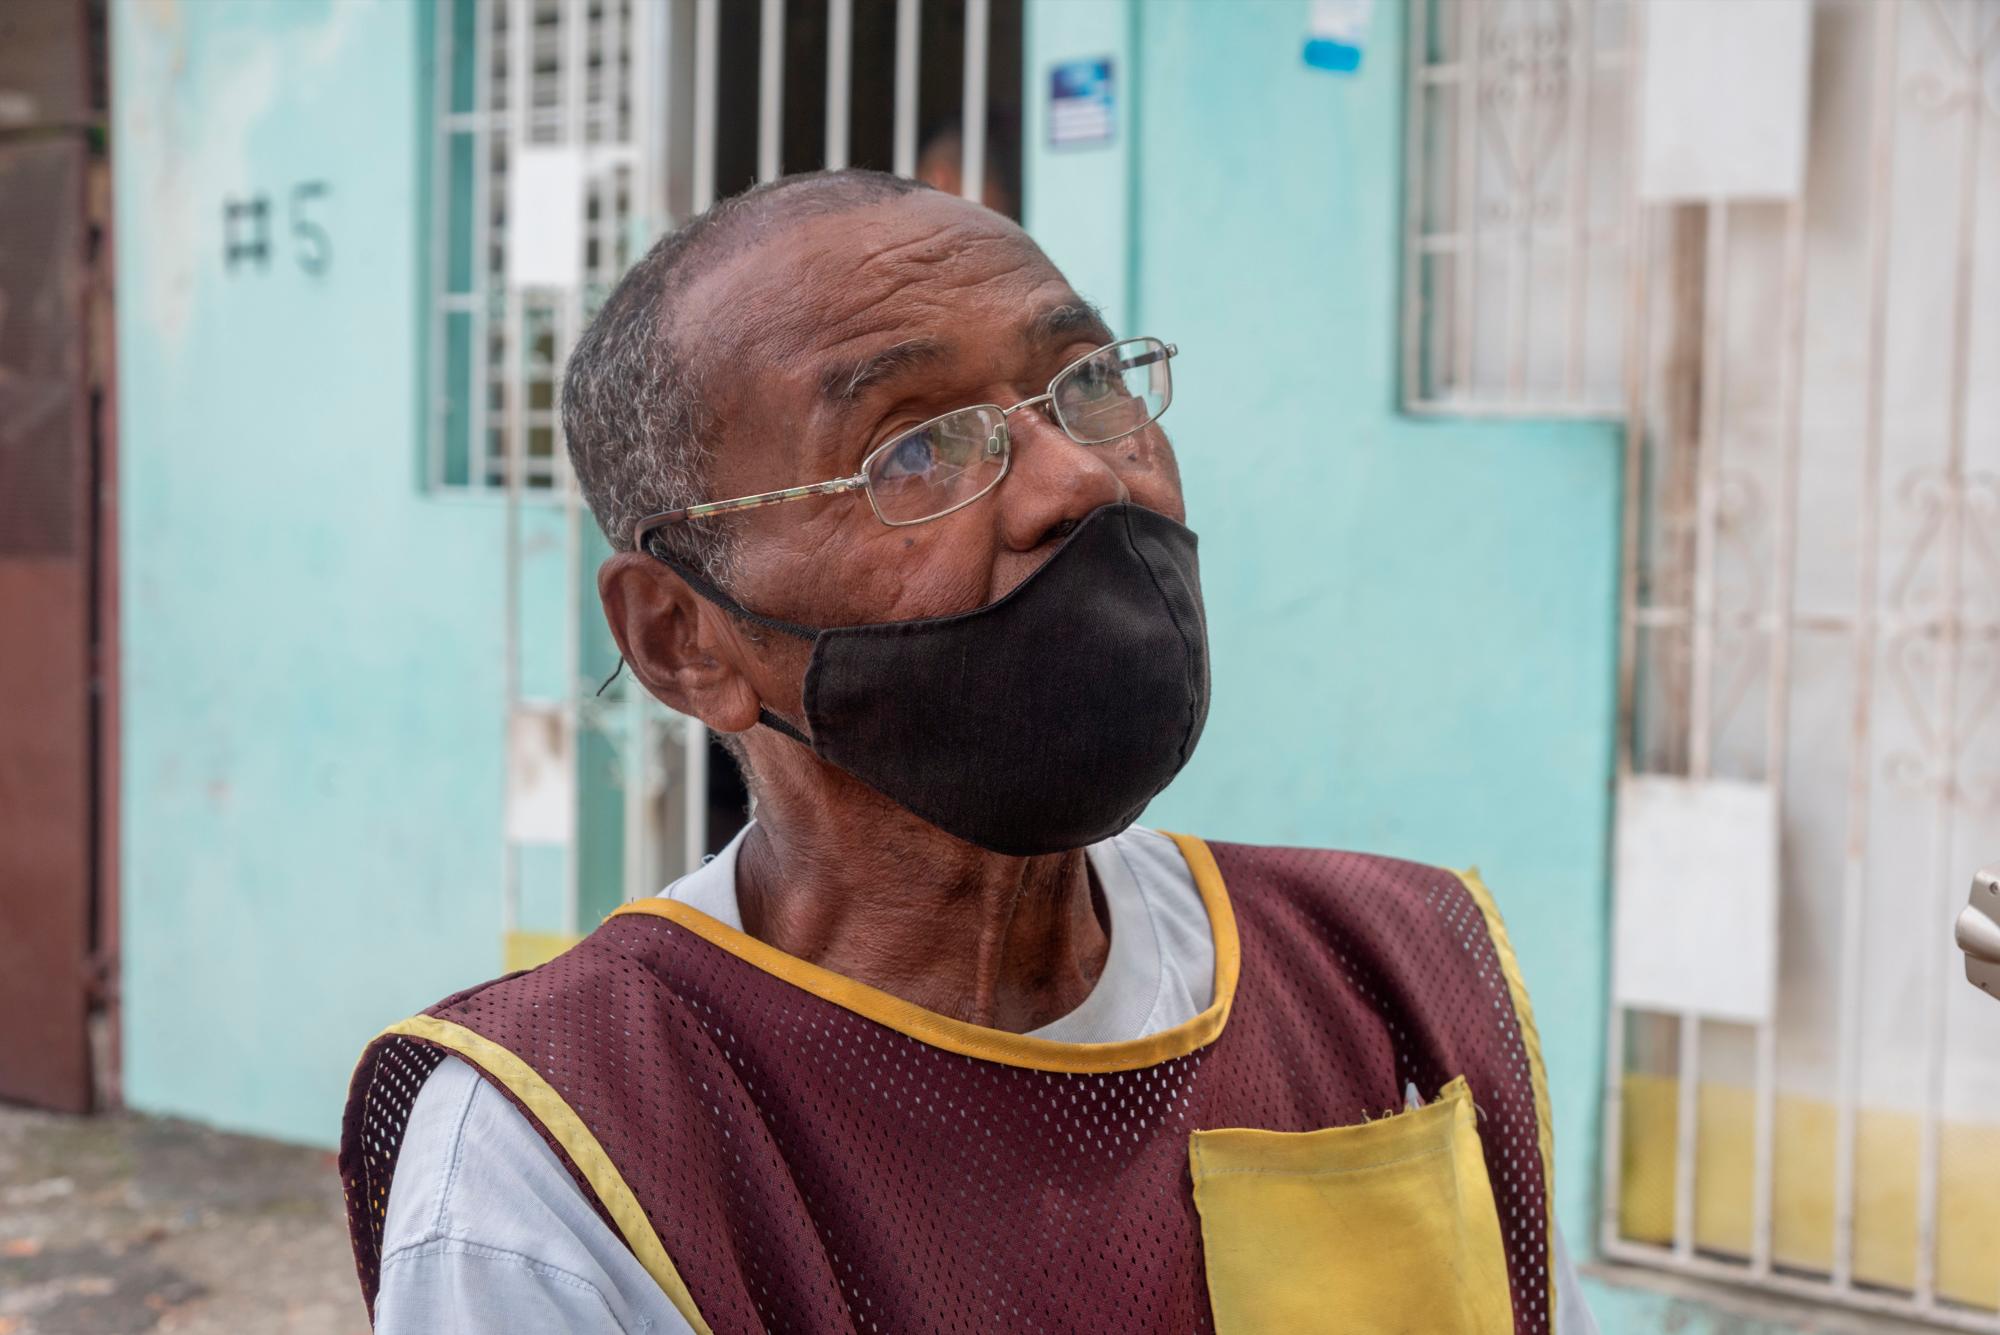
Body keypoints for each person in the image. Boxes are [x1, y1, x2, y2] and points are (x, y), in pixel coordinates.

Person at [340, 169, 1596, 1334]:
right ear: (685, 642)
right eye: (912, 449)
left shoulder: (1395, 977)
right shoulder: (569, 1151)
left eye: (1088, 384)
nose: (1079, 479)